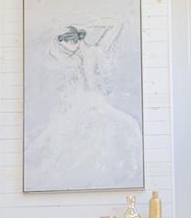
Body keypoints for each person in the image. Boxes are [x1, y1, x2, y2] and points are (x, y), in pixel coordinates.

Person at [25, 19, 143, 190]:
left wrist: (89, 26)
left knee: (114, 132)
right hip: (87, 104)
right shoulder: (78, 58)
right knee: (83, 143)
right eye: (65, 42)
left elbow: (116, 26)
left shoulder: (88, 55)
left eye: (71, 41)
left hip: (93, 103)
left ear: (77, 39)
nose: (69, 46)